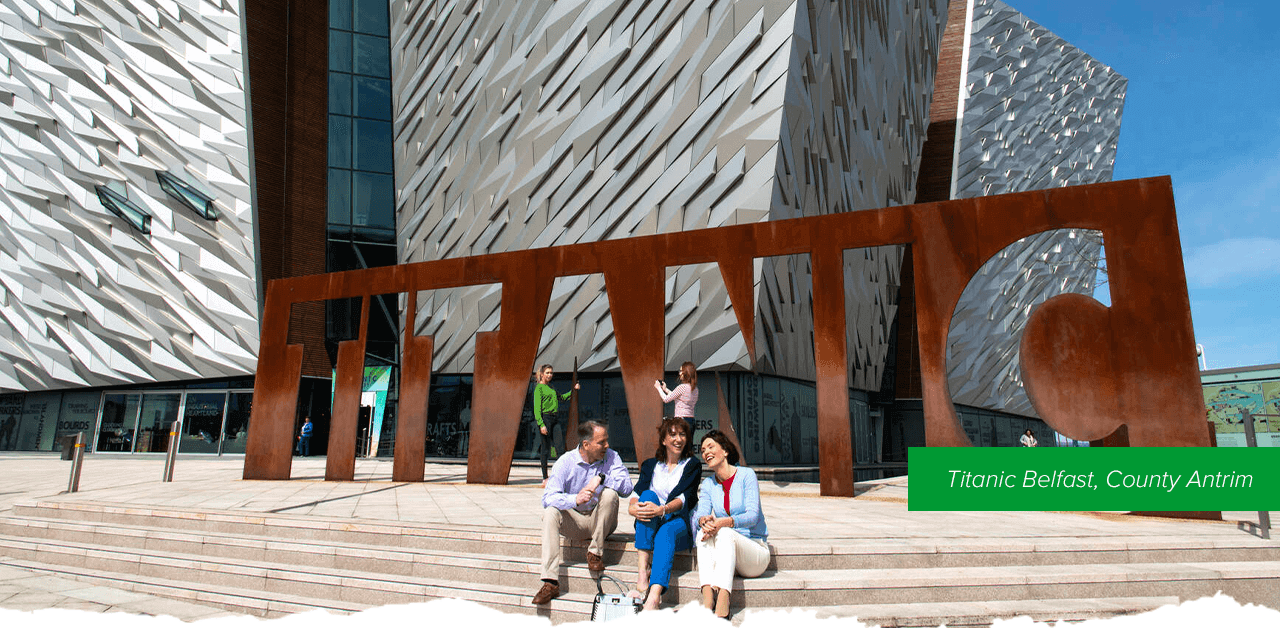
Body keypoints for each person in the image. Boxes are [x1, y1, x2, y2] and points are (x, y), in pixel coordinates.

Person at [533, 420, 634, 605]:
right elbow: (547, 498)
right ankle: (550, 582)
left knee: (611, 494)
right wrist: (574, 499)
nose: (607, 445)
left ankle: (595, 553)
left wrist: (601, 479)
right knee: (550, 513)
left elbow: (627, 488)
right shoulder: (565, 462)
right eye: (601, 442)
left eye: (607, 440)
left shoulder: (612, 457)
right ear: (586, 445)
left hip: (602, 522)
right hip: (575, 521)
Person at [692, 430, 769, 618]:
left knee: (725, 532)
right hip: (729, 556)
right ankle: (708, 598)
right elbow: (700, 514)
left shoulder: (746, 475)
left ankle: (723, 601)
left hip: (754, 553)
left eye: (711, 447)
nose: (706, 453)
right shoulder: (709, 484)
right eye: (702, 450)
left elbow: (752, 516)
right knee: (702, 533)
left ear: (725, 451)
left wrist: (725, 522)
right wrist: (704, 521)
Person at [627, 417, 701, 611]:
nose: (678, 439)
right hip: (651, 518)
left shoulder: (692, 465)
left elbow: (685, 498)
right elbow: (637, 493)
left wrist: (663, 509)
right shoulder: (651, 465)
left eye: (683, 434)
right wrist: (631, 507)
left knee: (665, 532)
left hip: (678, 521)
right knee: (647, 495)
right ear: (664, 440)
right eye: (673, 434)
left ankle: (654, 594)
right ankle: (643, 571)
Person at [534, 364, 579, 480]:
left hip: (555, 419)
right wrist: (541, 424)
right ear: (542, 374)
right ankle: (545, 477)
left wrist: (573, 390)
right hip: (545, 419)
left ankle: (561, 476)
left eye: (551, 373)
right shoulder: (539, 388)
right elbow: (537, 409)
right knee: (545, 449)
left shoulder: (552, 387)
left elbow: (562, 398)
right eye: (547, 373)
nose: (550, 375)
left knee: (559, 448)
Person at [654, 361, 698, 426]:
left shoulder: (682, 387)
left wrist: (658, 388)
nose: (679, 373)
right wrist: (665, 389)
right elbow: (678, 397)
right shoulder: (695, 389)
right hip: (691, 420)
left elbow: (666, 399)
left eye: (681, 371)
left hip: (681, 420)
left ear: (686, 373)